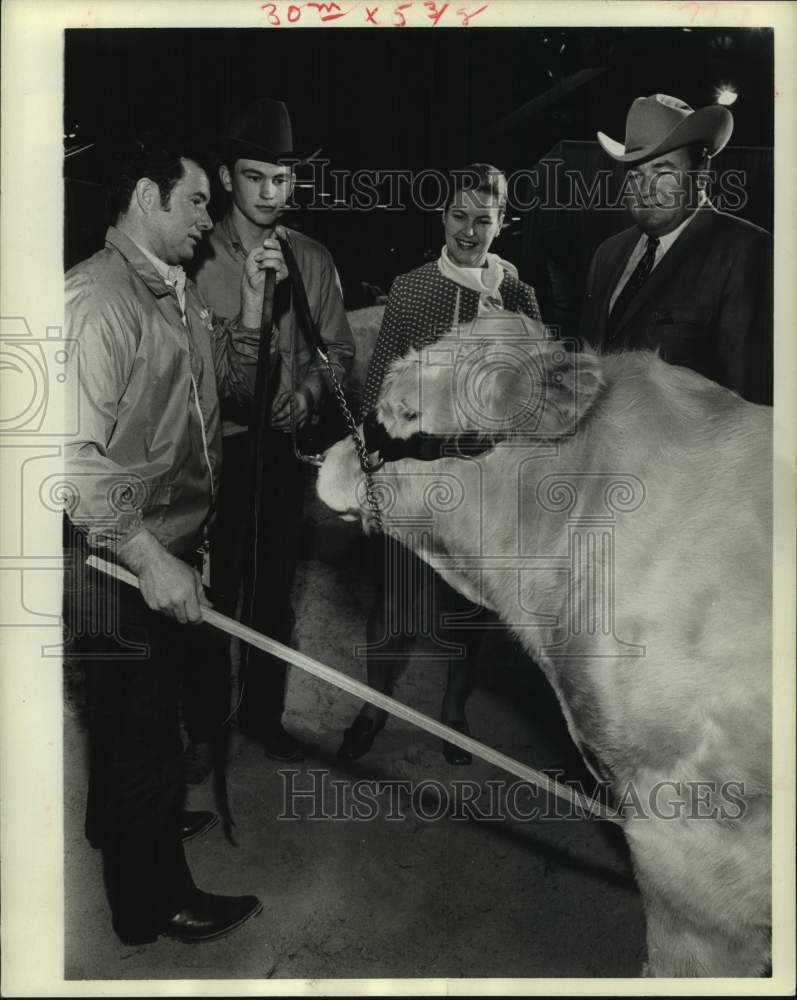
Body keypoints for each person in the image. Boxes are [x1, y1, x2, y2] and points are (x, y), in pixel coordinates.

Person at [63, 136, 274, 945]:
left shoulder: (171, 294)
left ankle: (125, 829)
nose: (209, 216)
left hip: (164, 548)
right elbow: (68, 460)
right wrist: (150, 558)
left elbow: (236, 390)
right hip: (111, 559)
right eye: (194, 200)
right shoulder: (97, 301)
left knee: (128, 725)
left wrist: (252, 306)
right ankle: (150, 906)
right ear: (146, 197)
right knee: (145, 737)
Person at [338, 163, 544, 765]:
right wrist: (373, 460)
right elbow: (379, 388)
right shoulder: (410, 288)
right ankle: (375, 705)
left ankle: (453, 714)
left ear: (502, 223)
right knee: (395, 599)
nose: (469, 231)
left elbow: (530, 395)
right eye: (459, 216)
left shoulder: (520, 297)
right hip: (416, 474)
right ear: (442, 216)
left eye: (484, 219)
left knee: (468, 607)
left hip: (484, 484)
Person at [192, 98, 354, 764]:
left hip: (282, 455)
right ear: (227, 177)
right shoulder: (195, 257)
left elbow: (339, 351)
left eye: (281, 180)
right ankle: (203, 730)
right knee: (209, 596)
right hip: (214, 455)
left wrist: (308, 393)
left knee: (272, 594)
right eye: (255, 176)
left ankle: (261, 716)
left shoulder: (311, 258)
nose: (268, 193)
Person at [579, 93, 773, 405]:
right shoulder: (607, 254)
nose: (645, 189)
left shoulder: (746, 252)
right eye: (636, 174)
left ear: (703, 171)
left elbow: (751, 403)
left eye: (663, 171)